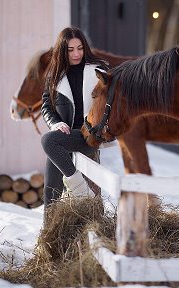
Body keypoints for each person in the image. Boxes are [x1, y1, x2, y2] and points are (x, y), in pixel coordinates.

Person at [40, 26, 110, 208]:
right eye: (70, 50)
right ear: (62, 51)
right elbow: (46, 106)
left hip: (89, 135)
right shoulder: (54, 75)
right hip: (65, 135)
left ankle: (80, 190)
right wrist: (56, 123)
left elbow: (112, 102)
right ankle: (50, 236)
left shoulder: (99, 70)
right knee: (51, 192)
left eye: (79, 48)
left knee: (48, 141)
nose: (76, 54)